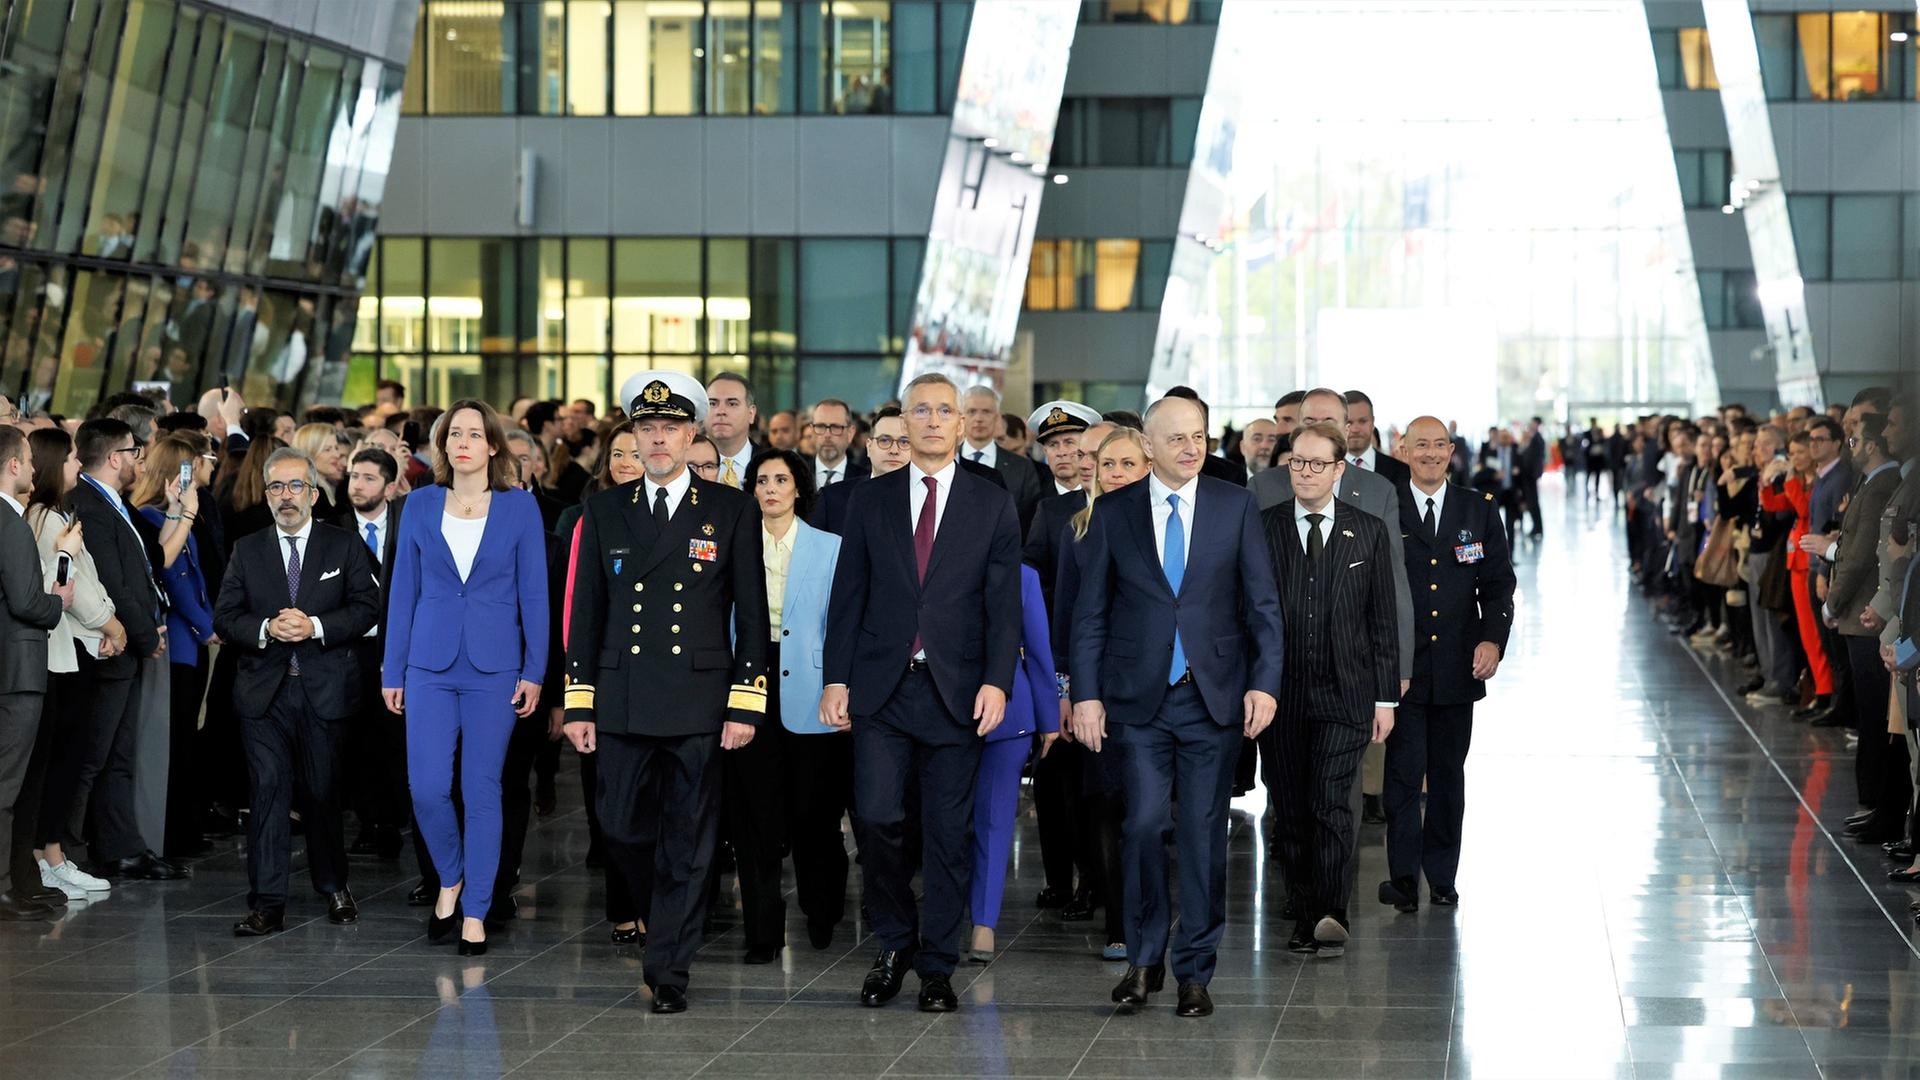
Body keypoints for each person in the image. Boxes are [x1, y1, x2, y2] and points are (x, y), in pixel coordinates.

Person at [1069, 394, 1282, 1018]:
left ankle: (1195, 970)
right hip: (1137, 700)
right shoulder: (1113, 512)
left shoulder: (1234, 505)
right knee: (1140, 827)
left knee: (1200, 834)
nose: (1192, 447)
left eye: (1199, 436)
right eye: (1178, 438)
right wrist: (1085, 694)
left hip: (1211, 697)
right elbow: (1091, 615)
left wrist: (1263, 683)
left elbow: (1263, 604)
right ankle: (1142, 958)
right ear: (1149, 447)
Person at [563, 371, 767, 1014]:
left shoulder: (730, 509)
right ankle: (667, 916)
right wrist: (578, 699)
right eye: (645, 429)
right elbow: (586, 614)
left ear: (691, 434)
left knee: (690, 837)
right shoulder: (604, 510)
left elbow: (753, 616)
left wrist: (745, 700)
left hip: (698, 700)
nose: (656, 440)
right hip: (623, 695)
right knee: (621, 828)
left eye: (670, 429)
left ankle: (669, 966)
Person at [821, 372, 1022, 1014]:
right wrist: (835, 677)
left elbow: (1003, 605)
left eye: (945, 410)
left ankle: (936, 964)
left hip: (957, 691)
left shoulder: (991, 503)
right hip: (881, 689)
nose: (933, 421)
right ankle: (894, 941)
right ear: (901, 423)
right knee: (876, 818)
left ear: (963, 423)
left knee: (947, 831)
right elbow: (846, 594)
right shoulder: (869, 500)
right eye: (921, 411)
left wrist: (997, 681)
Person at [383, 400, 549, 956]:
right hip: (427, 663)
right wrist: (393, 667)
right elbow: (402, 591)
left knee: (482, 789)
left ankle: (476, 907)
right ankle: (450, 876)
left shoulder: (520, 509)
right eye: (455, 433)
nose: (463, 442)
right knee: (426, 787)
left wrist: (535, 670)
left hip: (495, 666)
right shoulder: (421, 505)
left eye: (474, 434)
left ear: (493, 446)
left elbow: (535, 597)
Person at [213, 448, 380, 935]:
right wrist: (267, 627)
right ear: (265, 495)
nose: (286, 497)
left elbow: (368, 606)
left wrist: (316, 626)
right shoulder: (248, 549)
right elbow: (225, 616)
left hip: (324, 690)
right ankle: (267, 902)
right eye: (276, 488)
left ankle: (334, 885)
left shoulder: (343, 545)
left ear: (314, 492)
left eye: (295, 487)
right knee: (267, 792)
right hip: (262, 694)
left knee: (322, 792)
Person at [1260, 420, 1400, 958]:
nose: (1306, 472)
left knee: (1330, 803)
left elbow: (1382, 619)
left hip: (1346, 692)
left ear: (1340, 469)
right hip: (1281, 694)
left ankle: (1329, 909)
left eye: (1318, 463)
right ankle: (1302, 903)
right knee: (1291, 806)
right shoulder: (1264, 526)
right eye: (1298, 462)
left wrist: (1385, 696)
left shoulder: (1367, 530)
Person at [1250, 389, 1413, 829]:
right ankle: (1295, 868)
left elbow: (1392, 585)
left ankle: (1331, 886)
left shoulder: (1376, 490)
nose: (1314, 427)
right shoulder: (1262, 489)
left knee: (1337, 800)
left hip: (1349, 670)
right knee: (1289, 795)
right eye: (1306, 420)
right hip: (1283, 672)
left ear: (1346, 429)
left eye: (1327, 420)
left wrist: (1396, 668)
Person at [1378, 417, 1515, 914]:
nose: (1431, 454)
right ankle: (1401, 877)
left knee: (1447, 777)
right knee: (1401, 777)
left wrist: (1492, 640)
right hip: (1402, 669)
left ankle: (1441, 877)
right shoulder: (1386, 506)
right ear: (1404, 450)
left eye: (1440, 445)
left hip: (1458, 667)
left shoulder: (1477, 508)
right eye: (1421, 446)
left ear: (1452, 450)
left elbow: (1499, 584)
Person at [64, 418, 180, 880]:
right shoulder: (89, 504)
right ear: (114, 457)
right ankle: (66, 853)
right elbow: (112, 579)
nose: (140, 459)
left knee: (118, 753)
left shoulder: (114, 503)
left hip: (126, 644)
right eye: (134, 451)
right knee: (93, 755)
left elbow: (146, 563)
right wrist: (146, 634)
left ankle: (121, 847)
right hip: (109, 647)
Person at [1055, 426, 1151, 959]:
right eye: (1106, 464)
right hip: (1099, 693)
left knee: (1148, 813)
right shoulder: (1079, 529)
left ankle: (1146, 912)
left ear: (1148, 466)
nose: (1113, 474)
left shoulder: (1167, 526)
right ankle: (1118, 922)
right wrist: (1067, 691)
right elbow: (1067, 619)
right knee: (1106, 807)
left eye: (1125, 464)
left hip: (1156, 692)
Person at [553, 420, 643, 943]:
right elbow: (575, 612)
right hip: (607, 680)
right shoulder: (593, 519)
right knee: (612, 801)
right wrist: (577, 686)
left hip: (663, 680)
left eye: (635, 452)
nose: (626, 461)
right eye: (617, 453)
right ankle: (623, 905)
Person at [21, 429, 120, 903]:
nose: (78, 466)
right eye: (71, 460)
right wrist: (111, 624)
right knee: (61, 761)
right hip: (62, 652)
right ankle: (48, 858)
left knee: (66, 759)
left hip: (72, 649)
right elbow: (67, 584)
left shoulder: (49, 515)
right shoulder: (43, 520)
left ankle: (52, 855)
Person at [129, 432, 219, 860]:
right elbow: (173, 577)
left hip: (191, 638)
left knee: (187, 735)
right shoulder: (150, 517)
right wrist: (207, 627)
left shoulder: (175, 515)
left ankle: (184, 828)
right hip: (180, 641)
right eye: (199, 460)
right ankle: (173, 833)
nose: (209, 464)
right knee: (177, 736)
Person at [969, 561, 1060, 963]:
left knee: (995, 819)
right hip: (940, 710)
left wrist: (1048, 719)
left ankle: (983, 922)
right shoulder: (934, 562)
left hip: (1009, 715)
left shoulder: (1023, 575)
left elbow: (1039, 650)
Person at [1824, 414, 1906, 843]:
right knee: (1871, 712)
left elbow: (1860, 555)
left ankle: (1877, 803)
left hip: (1868, 612)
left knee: (1877, 715)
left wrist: (1833, 601)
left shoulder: (1881, 485)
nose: (1850, 444)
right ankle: (1872, 803)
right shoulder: (1873, 483)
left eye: (1854, 438)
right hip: (1864, 611)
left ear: (1870, 444)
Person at [0, 426, 71, 917]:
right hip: (17, 669)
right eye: (27, 458)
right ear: (12, 466)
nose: (32, 467)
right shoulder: (10, 523)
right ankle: (4, 887)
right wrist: (57, 601)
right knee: (6, 787)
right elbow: (26, 602)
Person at [343, 447, 407, 860]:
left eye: (368, 478)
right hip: (355, 650)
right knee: (360, 737)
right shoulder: (333, 529)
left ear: (389, 485)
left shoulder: (409, 525)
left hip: (403, 648)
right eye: (353, 476)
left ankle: (396, 816)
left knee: (397, 736)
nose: (358, 485)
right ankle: (370, 821)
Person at [812, 408, 910, 536]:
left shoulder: (929, 500)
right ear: (869, 447)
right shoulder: (831, 499)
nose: (894, 450)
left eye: (904, 442)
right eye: (885, 441)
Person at [960, 384, 1043, 534]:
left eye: (986, 412)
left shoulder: (1022, 467)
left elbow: (1031, 522)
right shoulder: (945, 462)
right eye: (972, 411)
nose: (979, 418)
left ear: (997, 418)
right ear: (961, 416)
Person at [705, 372, 759, 488]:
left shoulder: (770, 462)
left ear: (751, 413)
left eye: (732, 404)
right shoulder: (684, 463)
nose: (721, 411)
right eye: (713, 403)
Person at [805, 398, 867, 491]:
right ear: (812, 431)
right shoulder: (795, 476)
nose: (827, 435)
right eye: (820, 426)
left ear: (850, 433)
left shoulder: (867, 481)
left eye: (835, 427)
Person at [292, 422, 347, 517]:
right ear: (309, 453)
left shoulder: (329, 489)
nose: (337, 455)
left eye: (336, 448)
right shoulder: (309, 495)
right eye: (327, 449)